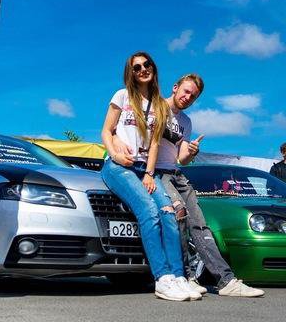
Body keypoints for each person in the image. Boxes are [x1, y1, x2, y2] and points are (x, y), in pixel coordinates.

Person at [113, 73, 265, 298]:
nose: (188, 97)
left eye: (193, 96)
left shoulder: (186, 121)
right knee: (179, 215)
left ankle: (226, 281)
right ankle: (185, 276)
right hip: (157, 173)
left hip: (176, 173)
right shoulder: (154, 107)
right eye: (186, 91)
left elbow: (181, 158)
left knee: (200, 225)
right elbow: (128, 130)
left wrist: (191, 151)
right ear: (175, 88)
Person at [101, 52, 201, 301]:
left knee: (168, 212)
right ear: (131, 73)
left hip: (145, 169)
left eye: (146, 65)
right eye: (136, 67)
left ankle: (178, 276)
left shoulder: (158, 105)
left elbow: (155, 144)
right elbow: (106, 130)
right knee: (149, 211)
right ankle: (162, 278)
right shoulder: (122, 95)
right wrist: (115, 153)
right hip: (119, 167)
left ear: (153, 68)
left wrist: (148, 173)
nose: (142, 69)